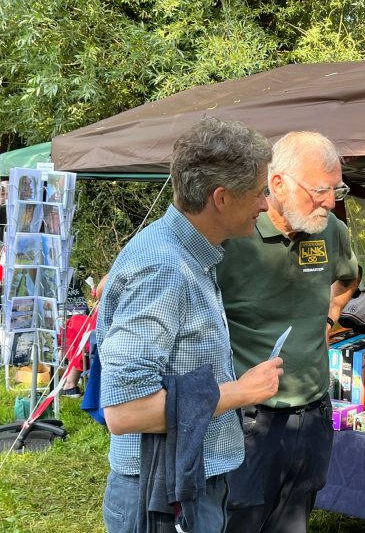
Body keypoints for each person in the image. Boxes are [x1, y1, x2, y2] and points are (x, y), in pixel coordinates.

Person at [97, 117, 284, 533]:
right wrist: (241, 391)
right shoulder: (165, 269)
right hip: (160, 497)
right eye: (259, 193)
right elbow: (125, 412)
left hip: (182, 485)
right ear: (221, 197)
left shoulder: (189, 253)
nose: (266, 205)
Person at [216, 131, 359, 533]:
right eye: (320, 190)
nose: (331, 202)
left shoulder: (330, 230)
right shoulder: (233, 232)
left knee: (294, 520)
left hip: (313, 411)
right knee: (239, 520)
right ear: (277, 183)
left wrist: (329, 318)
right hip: (247, 420)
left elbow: (348, 279)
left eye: (337, 189)